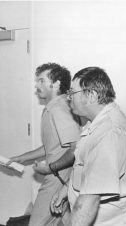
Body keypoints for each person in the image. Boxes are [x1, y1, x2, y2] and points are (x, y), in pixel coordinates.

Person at [50, 67, 126, 226]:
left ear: (92, 95)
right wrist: (66, 190)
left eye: (72, 93)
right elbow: (89, 168)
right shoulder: (97, 123)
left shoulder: (108, 132)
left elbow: (89, 201)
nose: (69, 98)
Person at [8, 63, 81, 226]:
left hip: (57, 179)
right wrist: (21, 158)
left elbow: (76, 147)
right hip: (60, 176)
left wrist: (50, 168)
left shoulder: (58, 110)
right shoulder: (55, 107)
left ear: (56, 84)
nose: (37, 85)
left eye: (41, 80)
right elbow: (54, 146)